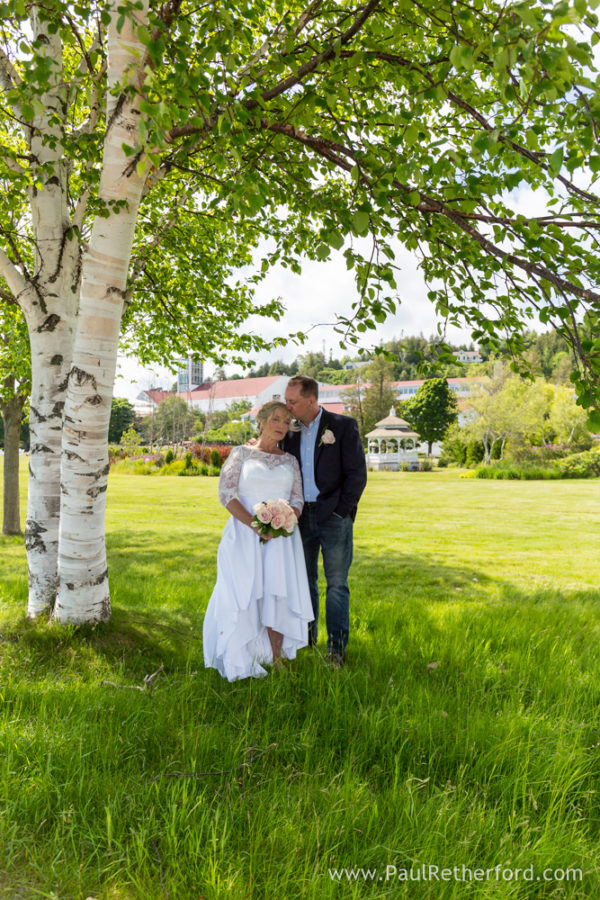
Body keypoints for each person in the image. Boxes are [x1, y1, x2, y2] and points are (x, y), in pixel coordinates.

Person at [203, 401, 313, 681]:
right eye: (276, 419)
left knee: (277, 593)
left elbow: (298, 497)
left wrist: (288, 518)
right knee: (245, 592)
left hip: (282, 538)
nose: (281, 426)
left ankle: (276, 658)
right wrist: (256, 525)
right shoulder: (241, 454)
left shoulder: (290, 460)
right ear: (262, 420)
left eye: (287, 422)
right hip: (244, 536)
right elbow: (227, 495)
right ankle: (241, 654)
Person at [282, 374, 367, 666]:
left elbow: (357, 475)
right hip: (299, 517)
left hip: (333, 517)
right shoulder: (288, 432)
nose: (288, 406)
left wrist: (341, 511)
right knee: (303, 583)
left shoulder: (343, 427)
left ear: (311, 400)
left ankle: (336, 650)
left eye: (292, 401)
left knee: (337, 585)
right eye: (286, 400)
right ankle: (305, 641)